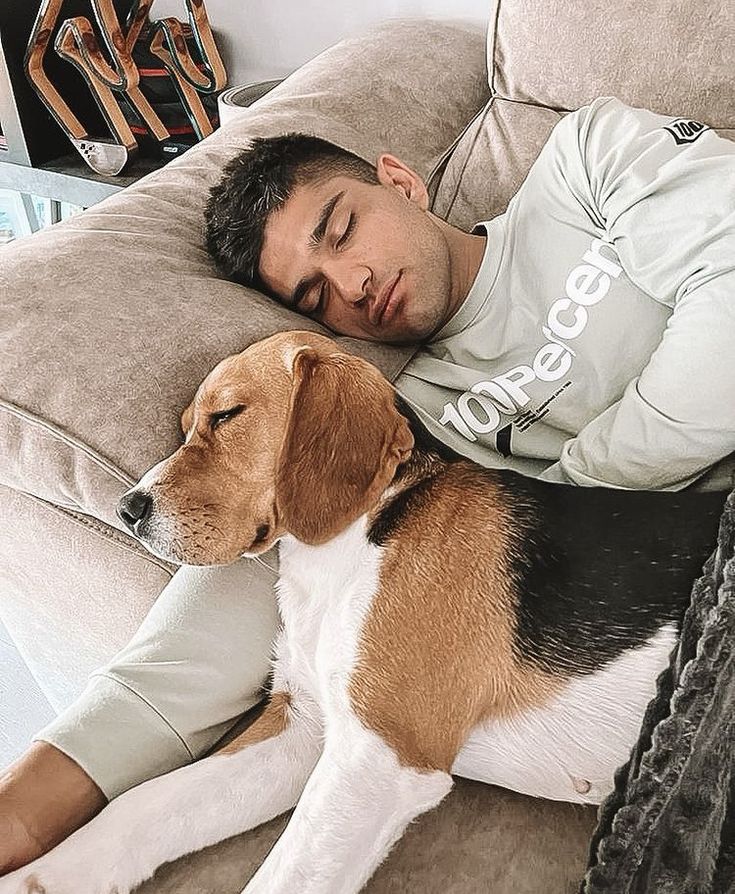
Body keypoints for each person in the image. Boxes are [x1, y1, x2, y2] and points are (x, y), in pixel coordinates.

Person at [2, 95, 734, 875]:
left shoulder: (587, 154)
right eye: (314, 297)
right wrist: (40, 801)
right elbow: (260, 605)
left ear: (400, 180)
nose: (349, 282)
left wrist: (576, 501)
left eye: (341, 228)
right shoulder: (411, 426)